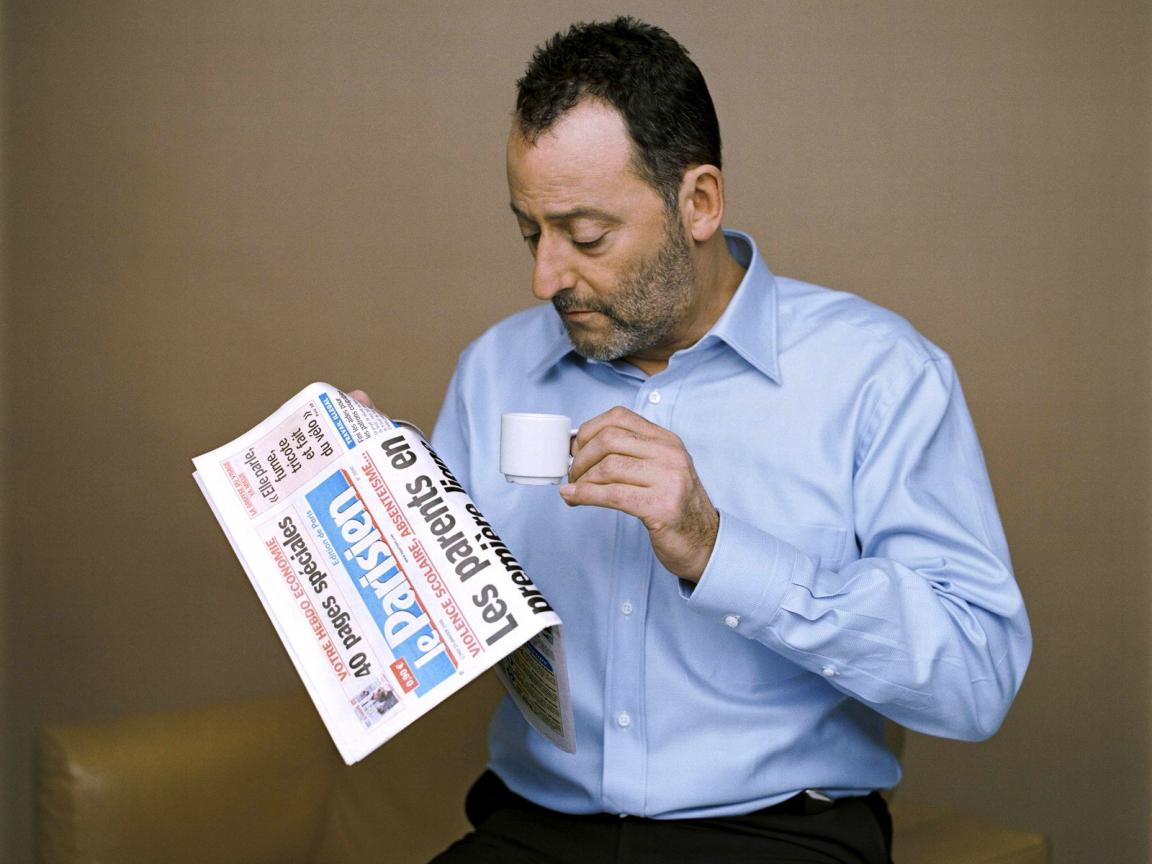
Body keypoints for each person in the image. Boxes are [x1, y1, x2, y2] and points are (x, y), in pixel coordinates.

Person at [360, 16, 1030, 864]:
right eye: (531, 232)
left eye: (586, 236)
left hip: (776, 833)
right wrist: (367, 523)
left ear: (699, 202)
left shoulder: (879, 375)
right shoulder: (495, 368)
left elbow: (977, 679)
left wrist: (717, 549)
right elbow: (417, 647)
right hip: (534, 831)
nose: (544, 278)